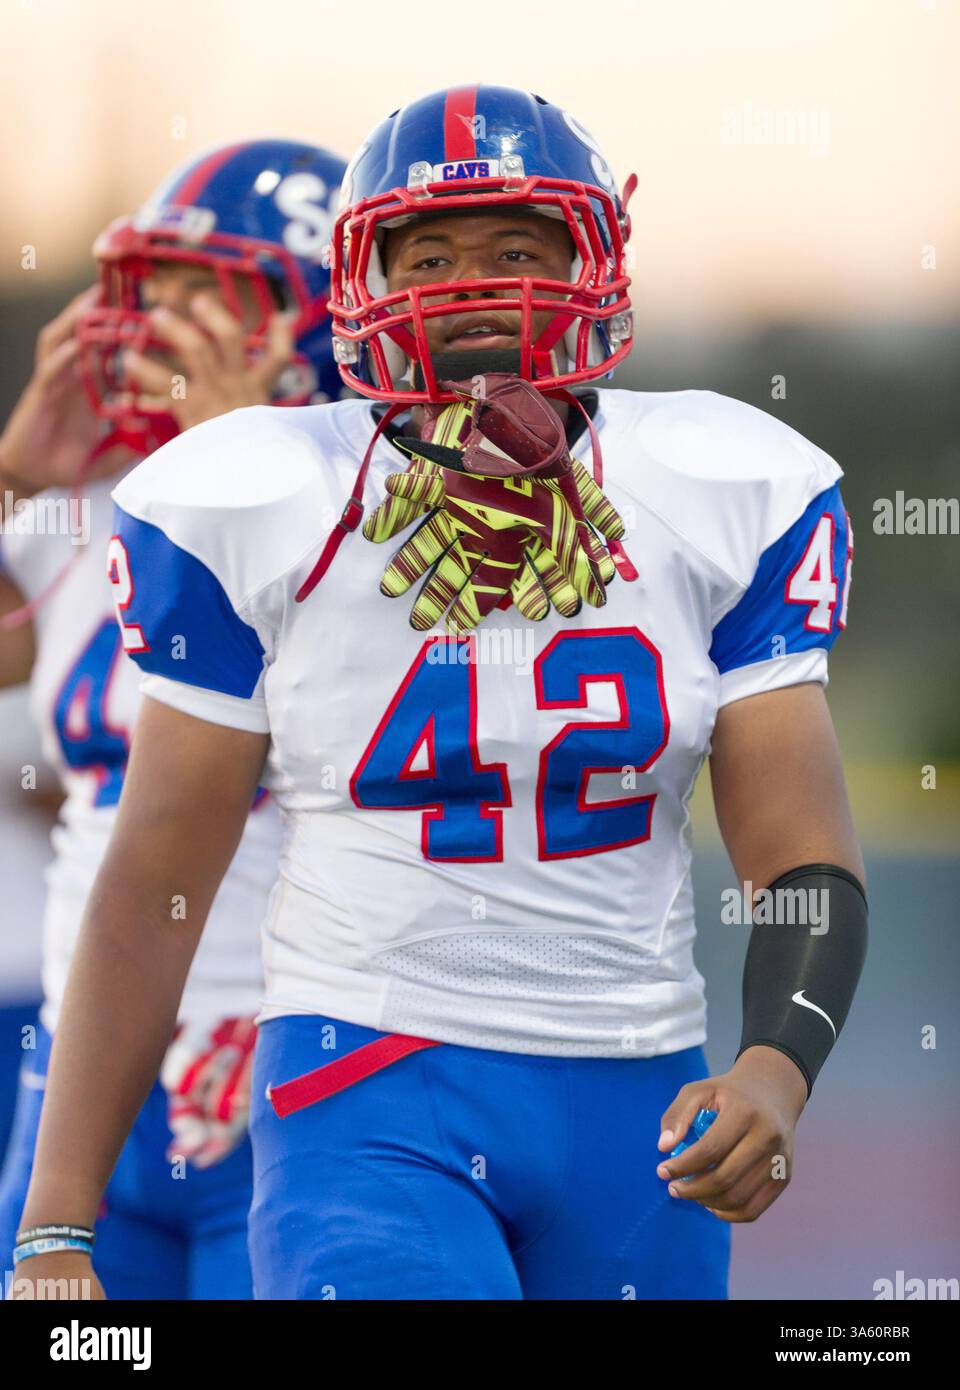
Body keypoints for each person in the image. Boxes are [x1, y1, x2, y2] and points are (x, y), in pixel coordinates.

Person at [15, 87, 866, 1301]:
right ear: (363, 281)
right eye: (430, 256)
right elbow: (155, 874)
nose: (473, 286)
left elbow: (799, 851)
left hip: (637, 1089)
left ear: (591, 265)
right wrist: (55, 1225)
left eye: (516, 249)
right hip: (365, 1074)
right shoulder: (263, 495)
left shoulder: (720, 486)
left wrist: (778, 1063)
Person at [0, 138, 346, 1298]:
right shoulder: (104, 505)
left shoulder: (365, 512)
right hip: (86, 1067)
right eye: (153, 289)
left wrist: (252, 482)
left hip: (292, 1049)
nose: (158, 325)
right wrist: (13, 475)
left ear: (316, 322)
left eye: (208, 294)